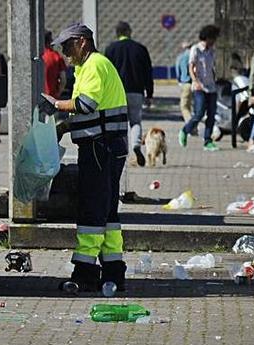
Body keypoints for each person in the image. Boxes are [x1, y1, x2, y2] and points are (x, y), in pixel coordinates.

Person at [40, 23, 130, 293]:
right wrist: (65, 127)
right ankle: (113, 272)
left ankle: (86, 273)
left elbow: (85, 105)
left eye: (67, 46)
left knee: (92, 210)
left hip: (98, 148)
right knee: (107, 213)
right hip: (110, 146)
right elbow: (95, 111)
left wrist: (55, 104)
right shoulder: (94, 66)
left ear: (81, 42)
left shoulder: (93, 66)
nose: (65, 53)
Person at [104, 21, 154, 167]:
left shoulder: (111, 49)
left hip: (116, 93)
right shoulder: (140, 49)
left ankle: (120, 151)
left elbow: (106, 74)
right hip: (136, 91)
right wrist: (149, 93)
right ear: (129, 32)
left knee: (119, 123)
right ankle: (136, 145)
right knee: (135, 121)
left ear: (117, 33)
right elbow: (148, 72)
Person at [180, 24, 221, 151]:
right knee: (199, 113)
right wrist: (195, 81)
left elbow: (212, 68)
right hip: (199, 87)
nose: (214, 41)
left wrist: (215, 79)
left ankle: (207, 141)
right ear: (207, 37)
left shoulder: (212, 51)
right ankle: (185, 130)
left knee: (212, 114)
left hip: (211, 87)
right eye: (213, 38)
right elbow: (191, 67)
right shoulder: (196, 49)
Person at [174, 40, 193, 124]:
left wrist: (179, 81)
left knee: (184, 106)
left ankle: (190, 125)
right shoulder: (195, 57)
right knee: (191, 106)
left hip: (186, 83)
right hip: (196, 84)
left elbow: (178, 71)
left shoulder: (181, 57)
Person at [42, 30, 65, 99]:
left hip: (36, 96)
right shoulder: (56, 56)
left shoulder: (36, 57)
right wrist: (58, 93)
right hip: (51, 97)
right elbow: (63, 79)